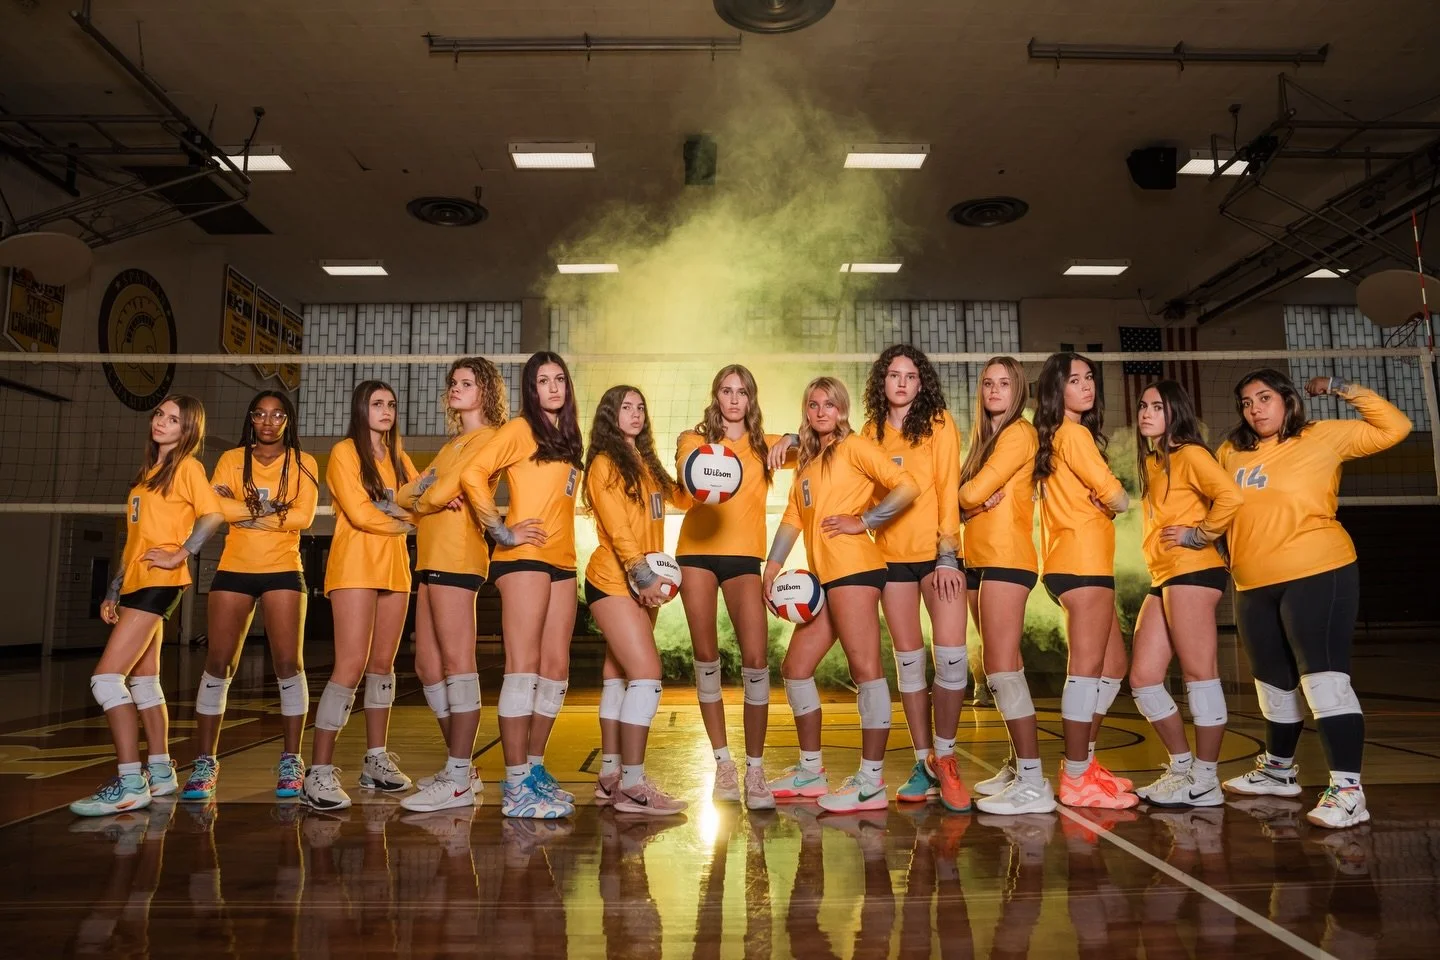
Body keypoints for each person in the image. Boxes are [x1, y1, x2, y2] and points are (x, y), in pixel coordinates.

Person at [1218, 369, 1410, 828]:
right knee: (1272, 684)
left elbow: (1396, 427)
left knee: (1323, 681)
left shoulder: (1322, 437)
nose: (1255, 409)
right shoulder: (1230, 451)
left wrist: (1341, 387)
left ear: (1287, 399)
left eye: (1265, 397)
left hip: (1317, 571)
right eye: (1247, 402)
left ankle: (1348, 792)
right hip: (1252, 583)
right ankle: (1278, 771)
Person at [763, 376, 918, 813]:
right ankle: (811, 771)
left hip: (854, 571)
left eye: (829, 404)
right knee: (795, 667)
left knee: (865, 669)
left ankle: (871, 782)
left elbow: (907, 485)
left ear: (842, 410)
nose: (820, 412)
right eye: (813, 405)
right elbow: (793, 517)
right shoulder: (807, 463)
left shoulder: (855, 447)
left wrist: (865, 520)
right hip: (822, 579)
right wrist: (771, 567)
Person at [71, 396, 223, 816]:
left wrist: (179, 554)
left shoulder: (187, 467)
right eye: (160, 414)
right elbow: (135, 541)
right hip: (137, 583)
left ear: (187, 430)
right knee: (144, 681)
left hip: (160, 581)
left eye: (174, 419)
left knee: (106, 680)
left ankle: (130, 782)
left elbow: (213, 515)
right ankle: (159, 772)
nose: (162, 422)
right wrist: (114, 589)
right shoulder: (148, 476)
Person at [459, 351, 582, 818]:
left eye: (559, 379)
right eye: (542, 380)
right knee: (524, 668)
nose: (552, 387)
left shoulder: (569, 437)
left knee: (555, 669)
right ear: (531, 389)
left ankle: (532, 768)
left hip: (563, 561)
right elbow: (472, 474)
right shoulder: (519, 428)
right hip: (524, 558)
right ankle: (514, 786)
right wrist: (501, 530)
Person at [181, 391, 319, 801]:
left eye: (277, 415)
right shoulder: (231, 459)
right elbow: (215, 509)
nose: (268, 421)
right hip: (234, 569)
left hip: (283, 569)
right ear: (251, 418)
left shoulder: (303, 462)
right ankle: (206, 762)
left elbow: (303, 517)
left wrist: (242, 508)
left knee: (288, 664)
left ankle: (291, 759)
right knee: (218, 663)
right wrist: (271, 511)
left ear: (288, 420)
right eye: (260, 414)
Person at [674, 364, 789, 810]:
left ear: (751, 398)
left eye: (742, 391)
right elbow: (686, 469)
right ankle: (723, 764)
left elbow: (816, 443)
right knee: (707, 659)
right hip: (696, 554)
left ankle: (755, 771)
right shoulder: (694, 439)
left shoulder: (764, 445)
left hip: (744, 559)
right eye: (727, 390)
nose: (735, 399)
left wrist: (792, 440)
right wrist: (699, 458)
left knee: (756, 661)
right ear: (716, 395)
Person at [395, 357, 508, 812]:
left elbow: (434, 492)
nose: (455, 388)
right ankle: (462, 769)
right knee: (427, 666)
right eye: (453, 383)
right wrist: (429, 494)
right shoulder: (451, 445)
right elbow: (404, 494)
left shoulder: (492, 438)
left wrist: (429, 493)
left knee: (459, 665)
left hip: (459, 557)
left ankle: (459, 777)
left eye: (467, 382)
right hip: (430, 557)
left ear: (486, 391)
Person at [859, 345, 969, 811]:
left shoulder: (939, 423)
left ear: (921, 383)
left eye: (910, 375)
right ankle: (924, 762)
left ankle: (946, 757)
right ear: (881, 382)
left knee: (952, 660)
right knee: (909, 665)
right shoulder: (870, 432)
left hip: (936, 556)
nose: (901, 382)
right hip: (891, 560)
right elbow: (860, 486)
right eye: (893, 375)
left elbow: (947, 487)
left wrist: (947, 553)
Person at [304, 380, 417, 810]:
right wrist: (403, 519)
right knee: (350, 665)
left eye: (391, 404)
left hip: (395, 568)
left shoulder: (400, 458)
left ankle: (375, 760)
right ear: (361, 409)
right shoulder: (344, 452)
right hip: (354, 566)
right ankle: (318, 772)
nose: (386, 410)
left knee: (383, 667)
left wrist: (404, 514)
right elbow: (359, 513)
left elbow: (421, 506)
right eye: (377, 404)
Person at [1031, 352, 1137, 809]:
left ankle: (1085, 762)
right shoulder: (1073, 434)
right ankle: (1075, 777)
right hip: (1082, 563)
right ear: (1057, 390)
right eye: (1074, 380)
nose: (1086, 386)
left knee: (1114, 667)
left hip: (1075, 563)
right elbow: (1118, 496)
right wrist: (1112, 500)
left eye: (1089, 377)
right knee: (1086, 673)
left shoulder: (1056, 435)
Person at [1130, 380, 1242, 807]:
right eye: (1143, 406)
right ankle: (1181, 768)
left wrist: (1200, 535)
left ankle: (1206, 779)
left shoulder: (1191, 454)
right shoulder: (1154, 461)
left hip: (1193, 571)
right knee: (1144, 679)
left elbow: (1230, 497)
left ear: (1175, 411)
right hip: (1164, 575)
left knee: (1199, 675)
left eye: (1157, 407)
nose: (1146, 413)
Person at [585, 385, 692, 816]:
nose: (635, 413)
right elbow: (618, 530)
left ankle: (610, 775)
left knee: (618, 676)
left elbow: (685, 497)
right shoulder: (604, 464)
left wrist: (691, 454)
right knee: (646, 674)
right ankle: (632, 785)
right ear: (609, 416)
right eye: (625, 407)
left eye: (640, 407)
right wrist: (643, 575)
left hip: (638, 584)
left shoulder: (647, 465)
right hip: (616, 579)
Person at [955, 358, 1051, 816]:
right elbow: (962, 500)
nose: (994, 390)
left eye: (1005, 384)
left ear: (1019, 391)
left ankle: (1033, 781)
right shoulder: (983, 441)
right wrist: (968, 502)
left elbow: (967, 494)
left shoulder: (1018, 434)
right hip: (978, 560)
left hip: (1006, 559)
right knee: (1004, 666)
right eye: (988, 383)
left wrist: (967, 499)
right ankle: (1018, 766)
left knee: (1000, 669)